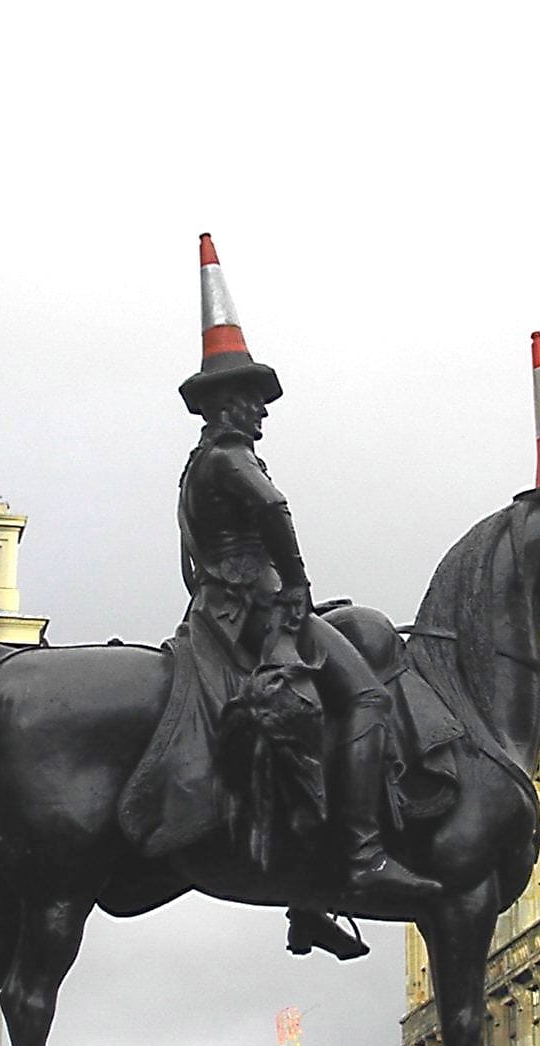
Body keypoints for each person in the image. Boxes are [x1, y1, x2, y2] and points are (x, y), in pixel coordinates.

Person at [178, 235, 440, 954]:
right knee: (366, 698)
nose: (261, 413)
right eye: (252, 401)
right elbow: (275, 513)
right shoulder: (231, 460)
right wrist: (295, 586)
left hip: (217, 610)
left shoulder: (194, 469)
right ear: (223, 405)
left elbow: (192, 563)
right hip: (256, 609)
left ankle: (307, 901)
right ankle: (361, 856)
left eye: (262, 402)